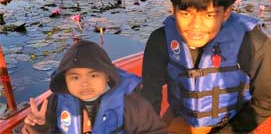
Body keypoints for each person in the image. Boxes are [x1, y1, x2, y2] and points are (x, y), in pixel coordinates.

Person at [141, 0, 271, 133]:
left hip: (233, 124)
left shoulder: (252, 42)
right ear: (173, 11)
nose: (195, 26)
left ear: (226, 13)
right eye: (185, 14)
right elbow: (151, 94)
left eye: (209, 15)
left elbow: (270, 100)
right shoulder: (161, 40)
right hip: (181, 119)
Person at [22, 40, 166, 134]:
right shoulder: (54, 102)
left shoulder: (131, 103)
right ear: (65, 80)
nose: (85, 83)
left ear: (108, 75)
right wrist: (38, 127)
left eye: (93, 75)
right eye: (75, 77)